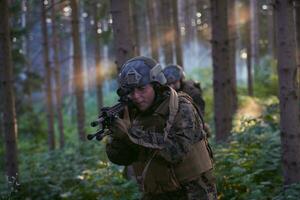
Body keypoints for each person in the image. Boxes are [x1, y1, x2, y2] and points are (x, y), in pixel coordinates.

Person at [105, 56, 217, 199]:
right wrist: (118, 137)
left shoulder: (180, 106)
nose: (136, 96)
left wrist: (130, 133)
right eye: (131, 91)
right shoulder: (132, 112)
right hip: (156, 192)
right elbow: (121, 158)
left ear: (156, 85)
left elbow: (176, 151)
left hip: (192, 192)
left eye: (141, 88)